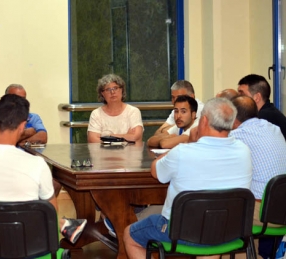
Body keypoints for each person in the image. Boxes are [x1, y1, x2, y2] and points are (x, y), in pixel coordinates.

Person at [123, 98, 252, 259]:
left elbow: (156, 171)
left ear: (203, 121)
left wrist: (184, 145)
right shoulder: (244, 151)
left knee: (130, 235)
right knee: (211, 241)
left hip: (182, 232)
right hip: (228, 230)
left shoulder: (182, 153)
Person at [0, 94, 87, 244]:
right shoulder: (37, 164)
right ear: (23, 126)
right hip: (29, 249)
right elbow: (51, 215)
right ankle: (67, 225)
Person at [230, 96, 286, 258]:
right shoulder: (273, 128)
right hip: (282, 210)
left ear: (233, 116)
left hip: (264, 213)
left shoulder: (238, 135)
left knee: (221, 214)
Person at [87, 74, 143, 143]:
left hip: (129, 153)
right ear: (102, 94)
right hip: (103, 153)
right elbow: (93, 140)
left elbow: (135, 137)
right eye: (108, 89)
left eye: (115, 88)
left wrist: (108, 137)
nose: (112, 92)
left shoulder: (133, 111)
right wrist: (125, 136)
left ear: (122, 90)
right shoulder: (96, 114)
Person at [237, 74, 286, 139]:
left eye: (242, 94)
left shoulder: (264, 118)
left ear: (257, 97)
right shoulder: (270, 113)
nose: (237, 98)